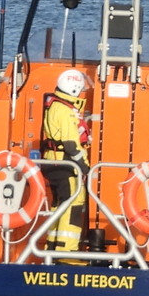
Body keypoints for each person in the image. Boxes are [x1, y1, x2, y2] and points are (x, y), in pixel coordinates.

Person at [40, 68, 90, 253]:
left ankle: (52, 245)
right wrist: (84, 166)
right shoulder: (66, 110)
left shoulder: (55, 106)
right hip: (65, 163)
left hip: (54, 162)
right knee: (74, 203)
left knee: (59, 204)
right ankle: (66, 249)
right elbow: (71, 144)